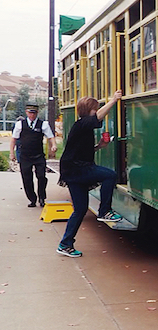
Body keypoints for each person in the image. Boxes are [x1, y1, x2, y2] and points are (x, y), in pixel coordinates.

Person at [57, 90, 123, 258]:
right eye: (95, 108)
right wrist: (114, 100)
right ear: (89, 111)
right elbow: (98, 117)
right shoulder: (83, 124)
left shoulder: (82, 127)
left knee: (79, 210)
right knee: (109, 175)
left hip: (72, 170)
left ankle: (65, 244)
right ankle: (105, 211)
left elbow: (80, 151)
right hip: (77, 169)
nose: (97, 111)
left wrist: (99, 147)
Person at [9, 104, 56, 207]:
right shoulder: (20, 124)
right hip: (25, 156)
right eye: (30, 113)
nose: (32, 115)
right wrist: (12, 153)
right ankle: (32, 199)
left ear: (37, 113)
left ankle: (42, 197)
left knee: (41, 176)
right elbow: (13, 139)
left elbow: (50, 136)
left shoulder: (43, 124)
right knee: (27, 178)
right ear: (26, 112)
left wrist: (54, 145)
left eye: (34, 113)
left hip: (38, 155)